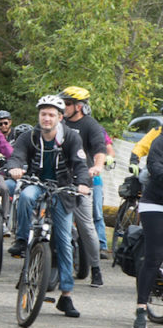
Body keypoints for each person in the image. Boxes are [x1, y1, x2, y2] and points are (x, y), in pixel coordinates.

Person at [4, 95, 91, 319]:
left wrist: (82, 183)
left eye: (52, 114)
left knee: (64, 242)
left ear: (60, 118)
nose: (47, 118)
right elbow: (16, 156)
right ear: (39, 116)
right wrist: (15, 168)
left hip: (62, 190)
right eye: (43, 114)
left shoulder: (71, 137)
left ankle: (67, 295)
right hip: (37, 183)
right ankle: (22, 240)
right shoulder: (29, 136)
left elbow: (81, 164)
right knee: (24, 197)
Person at [59, 86, 107, 286]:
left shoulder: (90, 125)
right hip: (59, 180)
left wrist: (96, 166)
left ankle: (96, 268)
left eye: (67, 104)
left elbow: (100, 150)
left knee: (87, 227)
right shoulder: (58, 122)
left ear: (79, 106)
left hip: (81, 182)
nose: (64, 107)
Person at [134, 129, 163, 328]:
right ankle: (141, 308)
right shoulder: (159, 142)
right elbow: (156, 168)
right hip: (155, 204)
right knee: (154, 256)